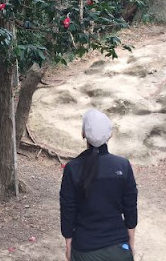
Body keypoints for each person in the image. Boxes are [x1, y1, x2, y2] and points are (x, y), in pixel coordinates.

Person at [60, 109, 138, 261]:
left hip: (84, 249)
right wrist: (131, 243)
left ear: (83, 134)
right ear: (110, 135)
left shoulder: (73, 168)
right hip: (118, 248)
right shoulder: (123, 166)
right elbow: (130, 208)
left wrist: (68, 245)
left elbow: (68, 209)